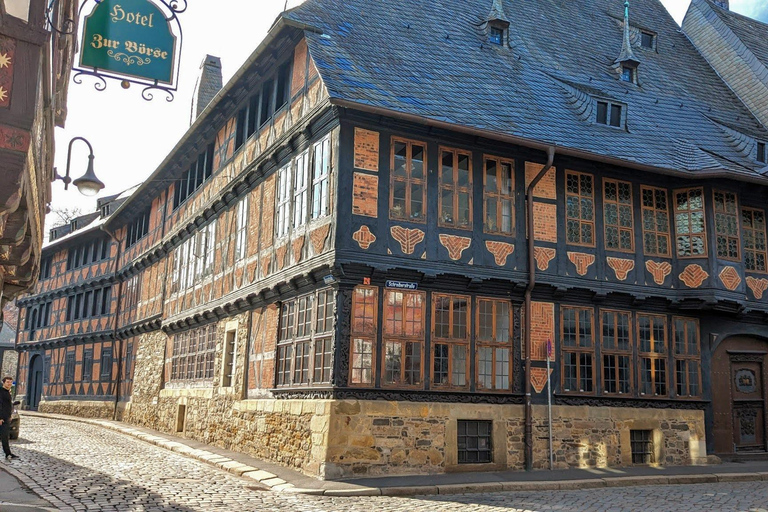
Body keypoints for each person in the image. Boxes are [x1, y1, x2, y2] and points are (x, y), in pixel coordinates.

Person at [0, 376, 18, 460]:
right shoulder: (1, 392)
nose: (9, 383)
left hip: (6, 418)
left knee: (5, 437)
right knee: (4, 436)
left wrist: (10, 416)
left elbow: (8, 406)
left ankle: (8, 453)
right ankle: (8, 453)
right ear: (3, 382)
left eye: (10, 382)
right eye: (7, 382)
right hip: (1, 419)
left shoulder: (8, 392)